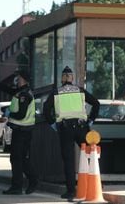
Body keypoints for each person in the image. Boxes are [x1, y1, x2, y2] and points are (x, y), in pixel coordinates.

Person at [43, 66, 100, 201]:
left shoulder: (56, 92)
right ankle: (95, 184)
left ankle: (71, 191)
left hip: (65, 129)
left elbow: (46, 108)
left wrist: (53, 124)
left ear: (62, 78)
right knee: (90, 156)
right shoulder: (80, 90)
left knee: (68, 160)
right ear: (72, 78)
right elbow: (96, 103)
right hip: (82, 127)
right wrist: (90, 120)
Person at [0, 70, 38, 195]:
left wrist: (10, 114)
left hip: (22, 130)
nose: (16, 79)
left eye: (18, 77)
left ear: (23, 79)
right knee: (20, 159)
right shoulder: (20, 92)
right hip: (21, 130)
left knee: (17, 159)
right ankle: (28, 182)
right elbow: (9, 91)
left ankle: (20, 185)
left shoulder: (25, 95)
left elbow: (21, 115)